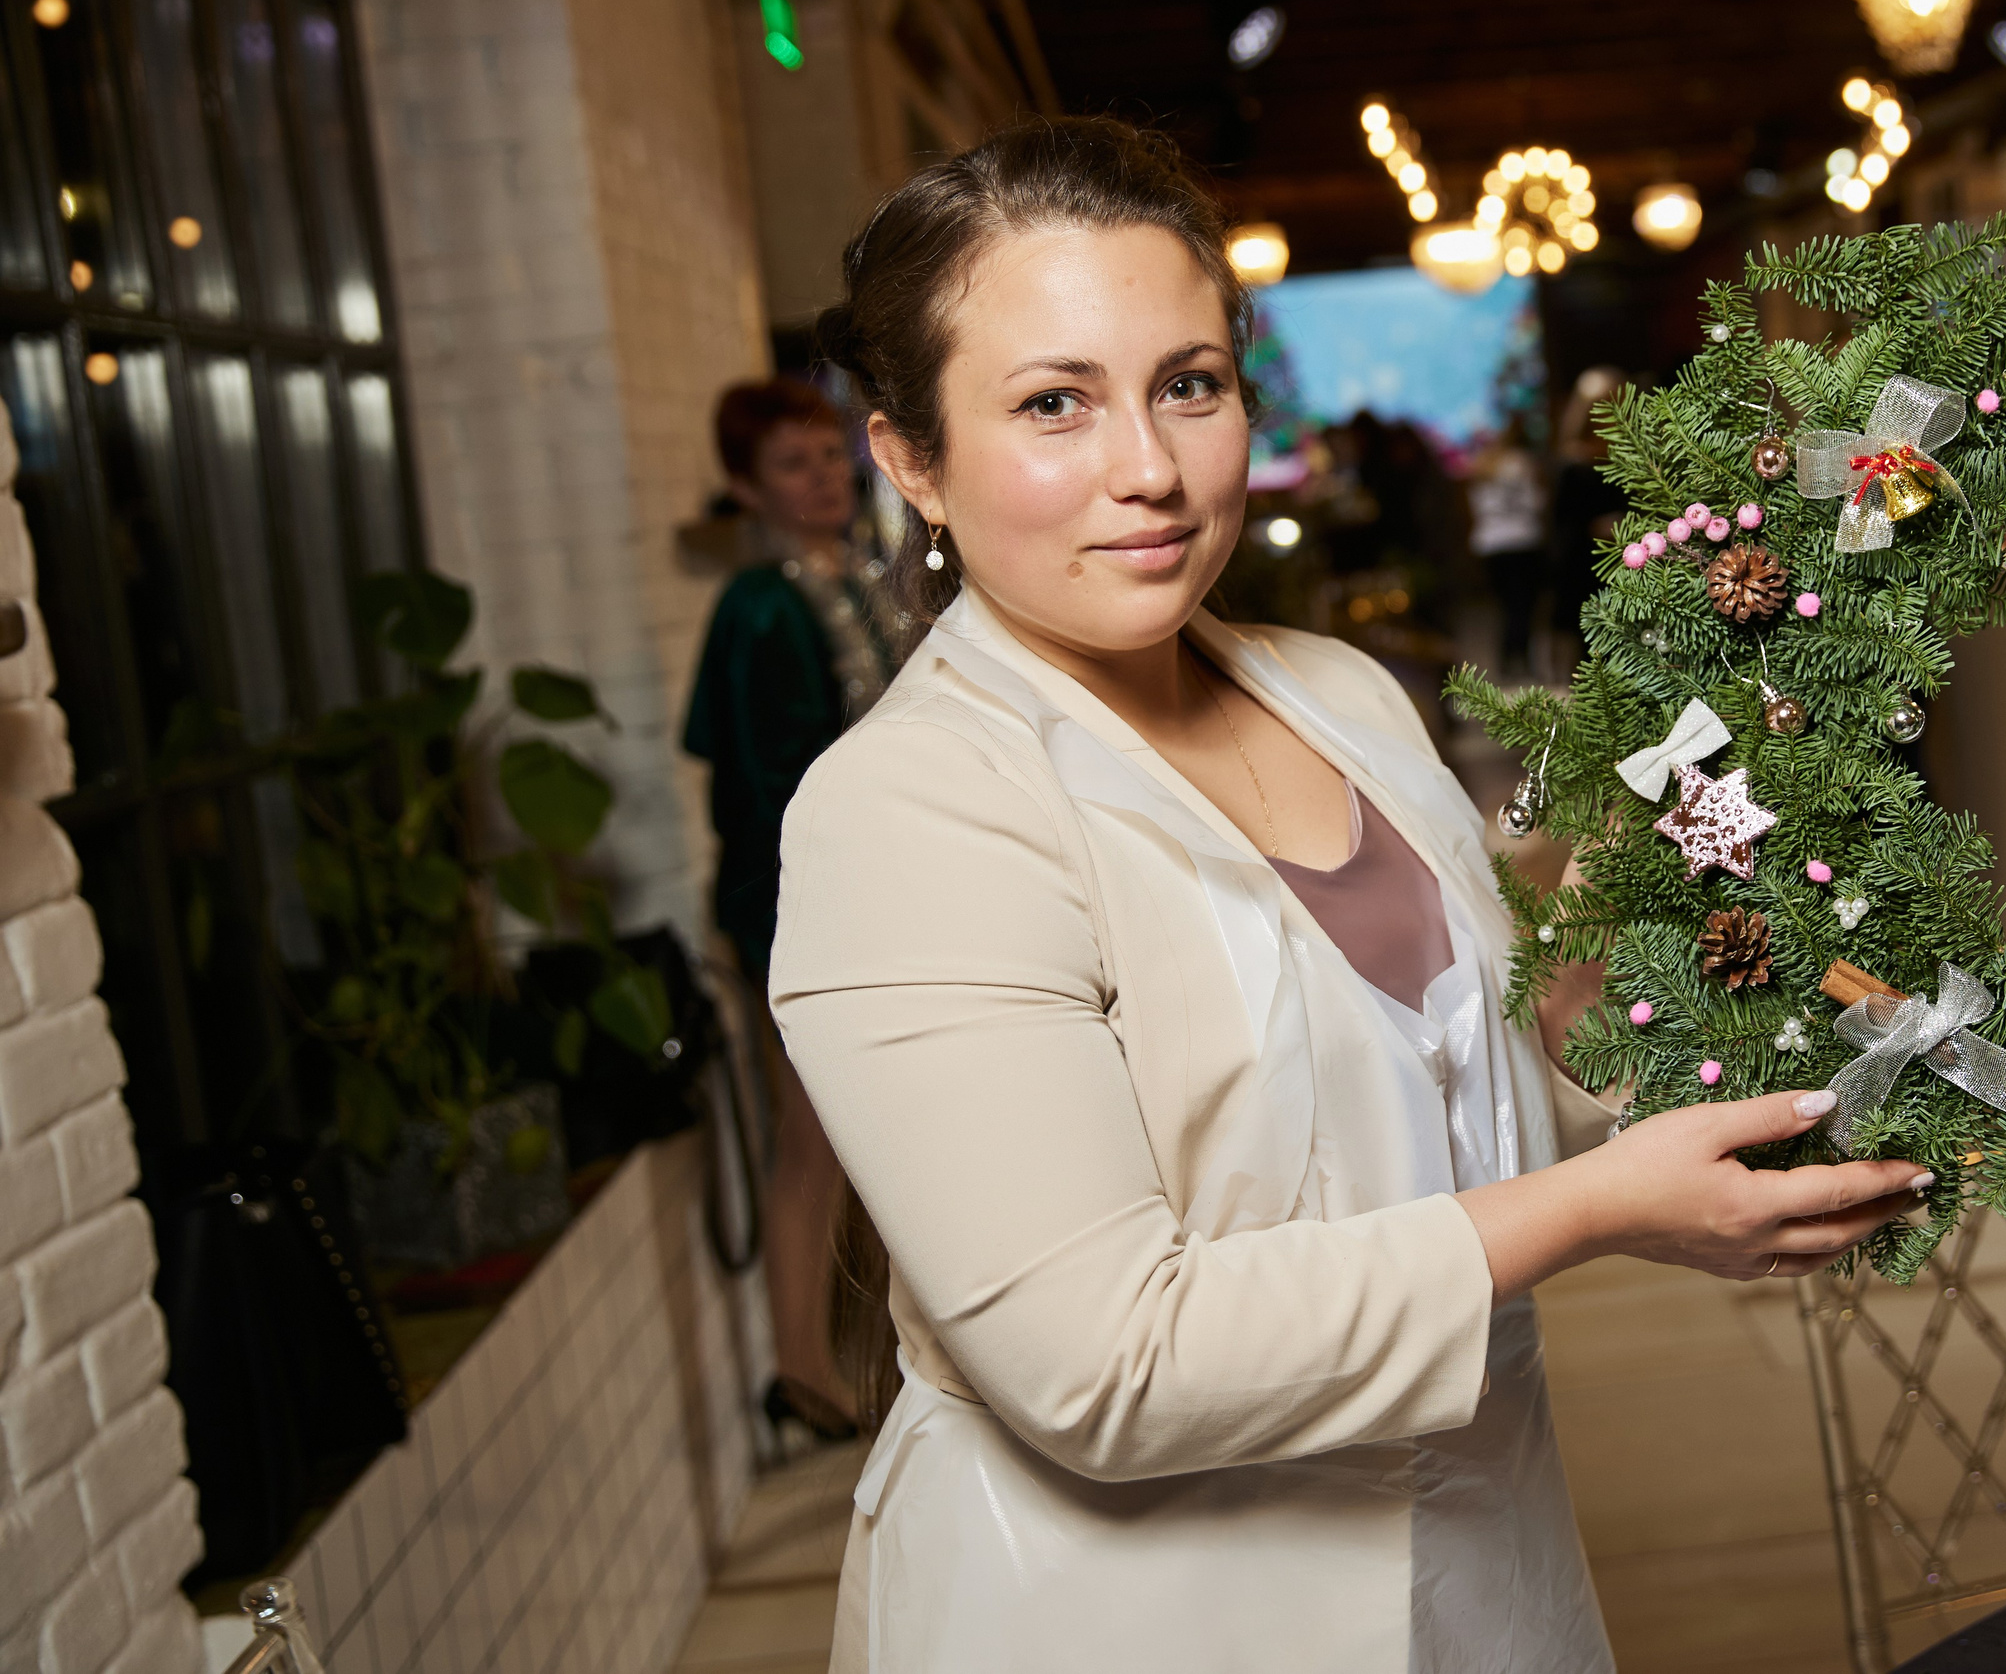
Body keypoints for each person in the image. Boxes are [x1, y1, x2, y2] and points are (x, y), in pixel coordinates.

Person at [773, 117, 1930, 1672]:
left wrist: (1684, 1009)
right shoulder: (911, 811)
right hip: (1135, 1622)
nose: (1149, 468)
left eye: (1190, 384)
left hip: (1481, 1571)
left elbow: (1467, 1098)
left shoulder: (1340, 696)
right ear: (911, 458)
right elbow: (1106, 1361)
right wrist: (1601, 1208)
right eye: (1054, 402)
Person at [683, 378, 904, 1441]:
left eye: (827, 455)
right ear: (745, 487)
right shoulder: (758, 604)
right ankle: (802, 1372)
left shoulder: (855, 575)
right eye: (790, 464)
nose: (820, 479)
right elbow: (760, 783)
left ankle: (852, 1359)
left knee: (866, 1134)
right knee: (812, 1137)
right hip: (798, 903)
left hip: (871, 888)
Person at [1549, 366, 1629, 664]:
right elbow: (1562, 524)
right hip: (1587, 568)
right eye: (1601, 404)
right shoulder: (1573, 462)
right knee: (1593, 654)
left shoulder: (1635, 455)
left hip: (1633, 566)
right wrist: (1596, 528)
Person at [1468, 414, 1547, 678]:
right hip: (1522, 540)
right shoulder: (1521, 462)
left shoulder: (1482, 466)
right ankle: (1520, 658)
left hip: (1491, 544)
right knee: (1523, 606)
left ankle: (1506, 659)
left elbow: (1477, 508)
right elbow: (1536, 502)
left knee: (1505, 607)